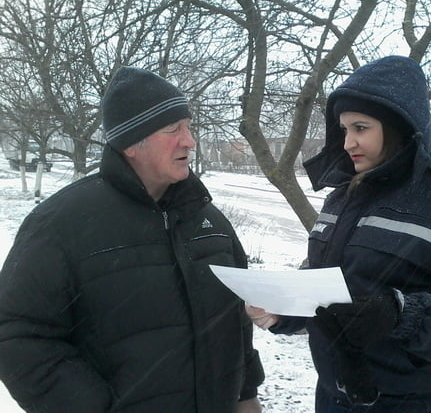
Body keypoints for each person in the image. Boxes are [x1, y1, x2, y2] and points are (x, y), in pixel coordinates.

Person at [247, 56, 431, 413]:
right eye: (344, 129)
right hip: (335, 397)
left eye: (361, 128)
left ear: (399, 125)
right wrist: (284, 310)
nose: (348, 143)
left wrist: (403, 316)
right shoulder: (342, 197)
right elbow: (329, 286)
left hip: (420, 404)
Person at [0, 66, 264, 413]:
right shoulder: (61, 224)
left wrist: (245, 395)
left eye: (188, 127)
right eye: (173, 129)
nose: (189, 140)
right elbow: (18, 335)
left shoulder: (210, 222)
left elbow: (235, 321)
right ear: (130, 144)